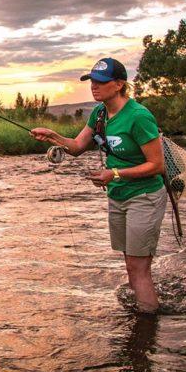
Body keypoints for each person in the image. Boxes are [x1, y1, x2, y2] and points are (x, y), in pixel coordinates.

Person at [29, 57, 167, 313]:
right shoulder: (99, 113)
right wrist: (52, 136)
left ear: (118, 85)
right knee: (131, 265)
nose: (94, 86)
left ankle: (148, 324)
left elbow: (157, 166)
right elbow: (77, 147)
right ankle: (141, 321)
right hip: (118, 196)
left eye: (101, 82)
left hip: (145, 196)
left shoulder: (139, 117)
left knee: (138, 268)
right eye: (92, 81)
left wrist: (114, 174)